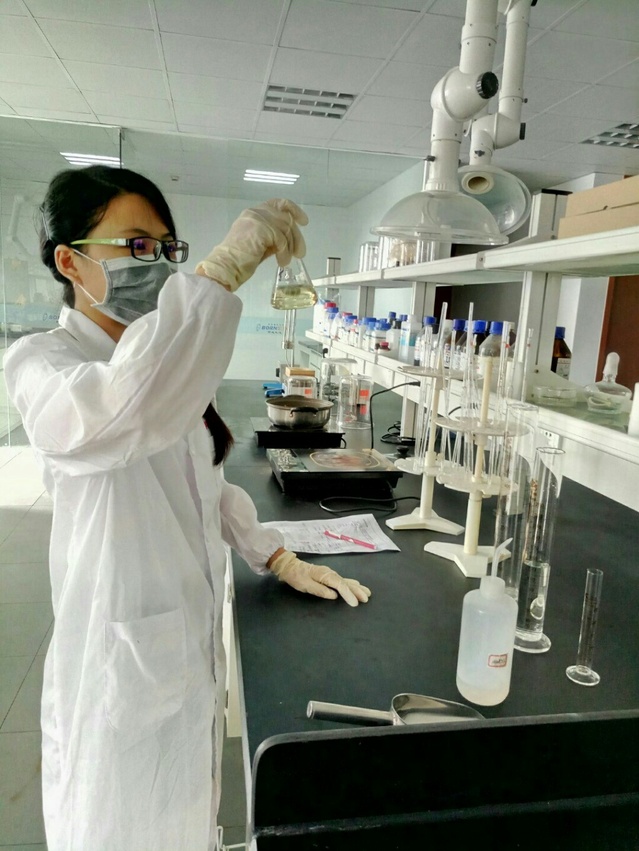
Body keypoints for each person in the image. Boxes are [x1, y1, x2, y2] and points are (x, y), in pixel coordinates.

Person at [3, 166, 371, 851]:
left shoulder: (162, 361)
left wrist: (275, 554)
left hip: (178, 646)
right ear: (69, 261)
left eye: (165, 249)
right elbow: (125, 408)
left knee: (186, 817)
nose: (157, 265)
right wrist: (219, 274)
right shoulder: (42, 363)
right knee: (121, 827)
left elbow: (207, 485)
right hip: (121, 666)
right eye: (135, 246)